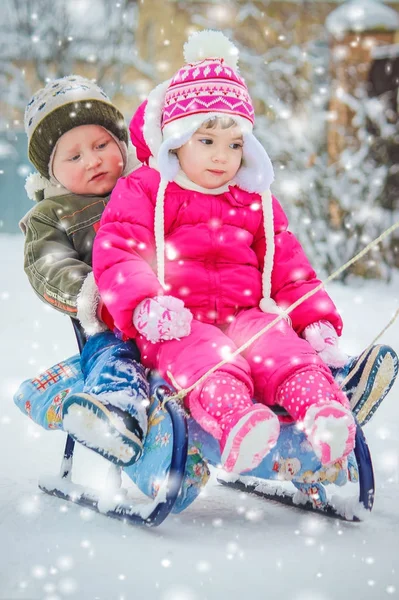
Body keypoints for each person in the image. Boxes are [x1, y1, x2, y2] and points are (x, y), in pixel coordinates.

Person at [91, 30, 360, 475]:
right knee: (208, 357)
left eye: (235, 144)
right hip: (178, 321)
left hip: (245, 315)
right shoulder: (147, 189)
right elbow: (118, 250)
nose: (222, 157)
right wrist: (144, 306)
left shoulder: (253, 197)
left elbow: (288, 266)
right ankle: (239, 422)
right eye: (207, 141)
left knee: (282, 349)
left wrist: (313, 319)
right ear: (176, 138)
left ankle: (321, 412)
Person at [20, 75, 149, 467]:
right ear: (52, 172)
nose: (92, 160)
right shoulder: (51, 215)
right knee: (114, 356)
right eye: (73, 157)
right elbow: (47, 264)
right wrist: (95, 291)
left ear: (120, 145)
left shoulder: (147, 187)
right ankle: (116, 416)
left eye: (101, 145)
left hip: (176, 312)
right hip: (112, 327)